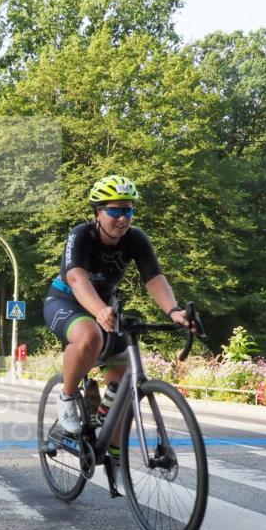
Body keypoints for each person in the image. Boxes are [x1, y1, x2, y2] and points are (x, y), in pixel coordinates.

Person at [43, 174, 193, 441]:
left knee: (124, 384)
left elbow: (154, 278)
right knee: (90, 335)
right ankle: (67, 396)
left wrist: (174, 311)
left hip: (106, 307)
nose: (123, 218)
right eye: (114, 211)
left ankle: (112, 452)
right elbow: (76, 278)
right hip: (67, 301)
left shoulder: (136, 239)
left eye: (128, 211)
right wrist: (99, 310)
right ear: (98, 212)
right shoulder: (81, 234)